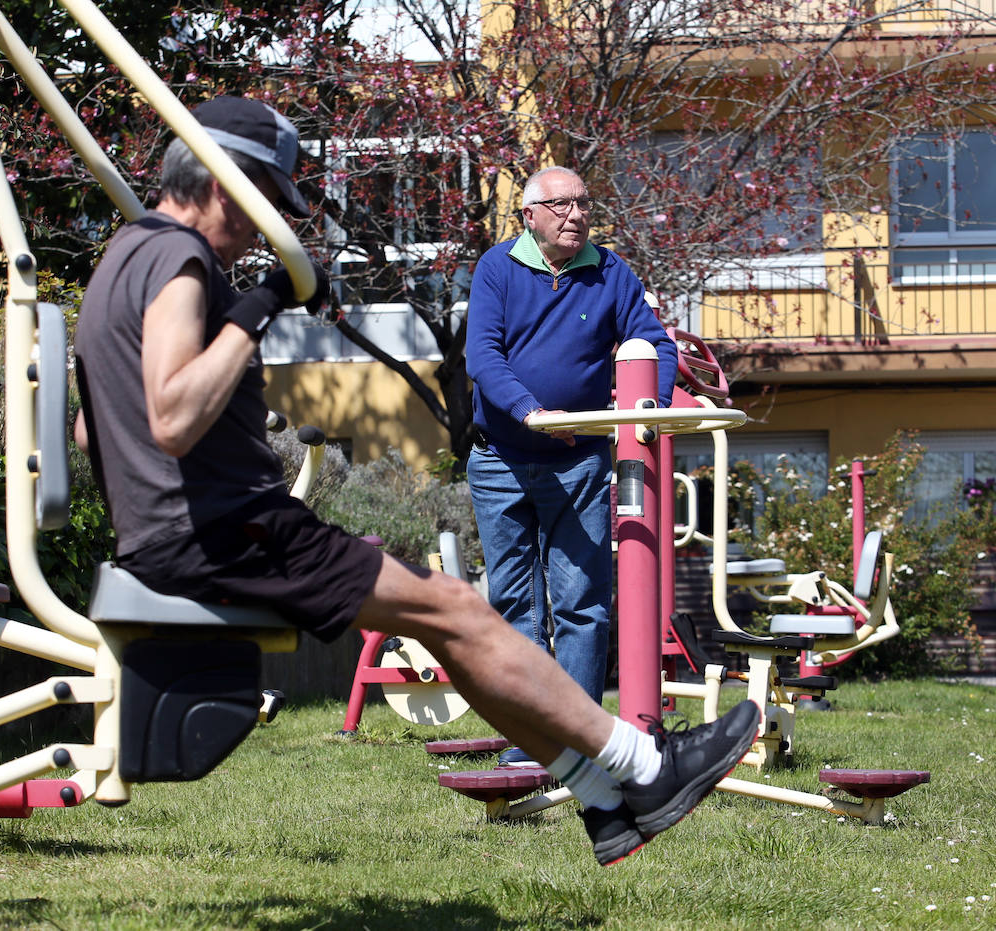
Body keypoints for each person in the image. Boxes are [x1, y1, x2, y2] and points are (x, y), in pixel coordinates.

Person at [73, 96, 757, 868]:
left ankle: (602, 803)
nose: (276, 226)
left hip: (184, 531)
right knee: (459, 606)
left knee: (448, 616)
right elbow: (169, 416)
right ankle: (646, 767)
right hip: (227, 531)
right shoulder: (181, 260)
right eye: (272, 202)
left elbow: (92, 428)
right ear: (229, 183)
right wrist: (262, 305)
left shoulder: (123, 258)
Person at [465, 166, 679, 767]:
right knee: (513, 605)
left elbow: (657, 345)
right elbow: (483, 354)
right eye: (560, 205)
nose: (576, 214)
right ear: (529, 215)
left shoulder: (611, 273)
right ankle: (532, 737)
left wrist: (649, 410)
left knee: (582, 602)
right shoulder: (498, 268)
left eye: (584, 202)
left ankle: (580, 741)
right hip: (500, 459)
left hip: (578, 461)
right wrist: (529, 410)